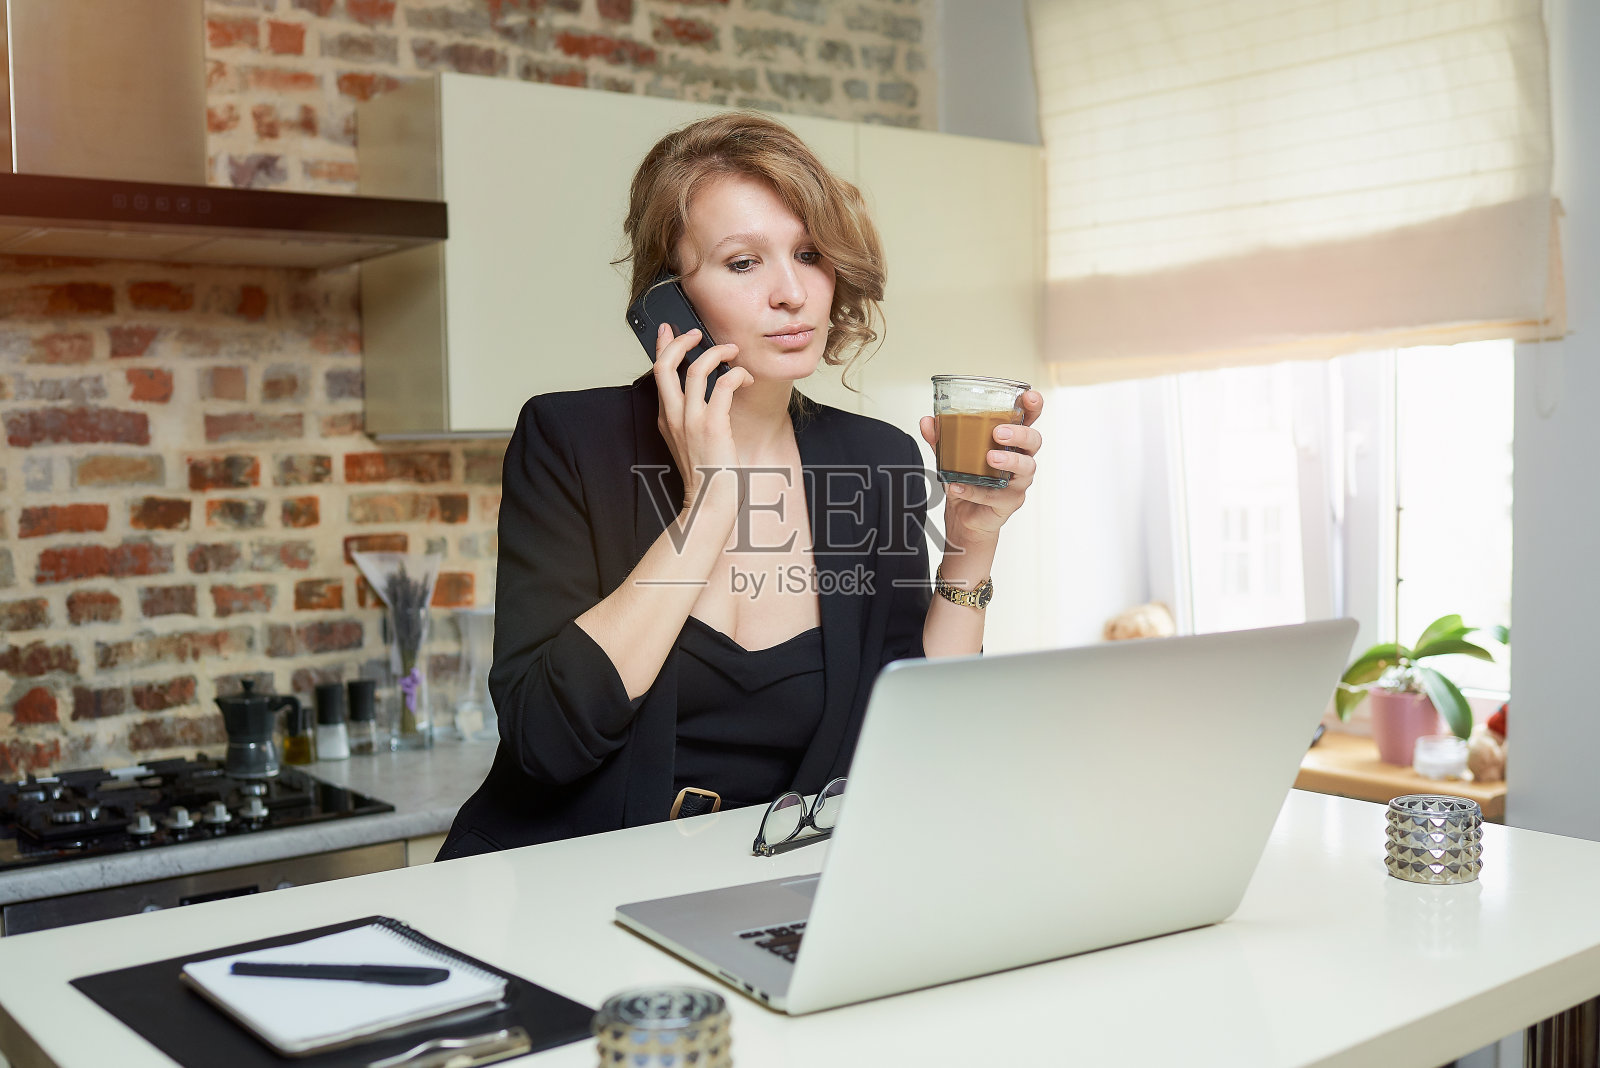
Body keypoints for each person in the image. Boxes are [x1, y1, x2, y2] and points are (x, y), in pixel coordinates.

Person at [437, 111, 1045, 859]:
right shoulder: (570, 441)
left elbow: (918, 738)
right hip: (546, 895)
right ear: (671, 297)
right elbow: (545, 743)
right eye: (743, 262)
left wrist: (971, 550)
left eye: (809, 253)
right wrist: (710, 503)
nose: (793, 293)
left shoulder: (874, 461)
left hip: (750, 895)